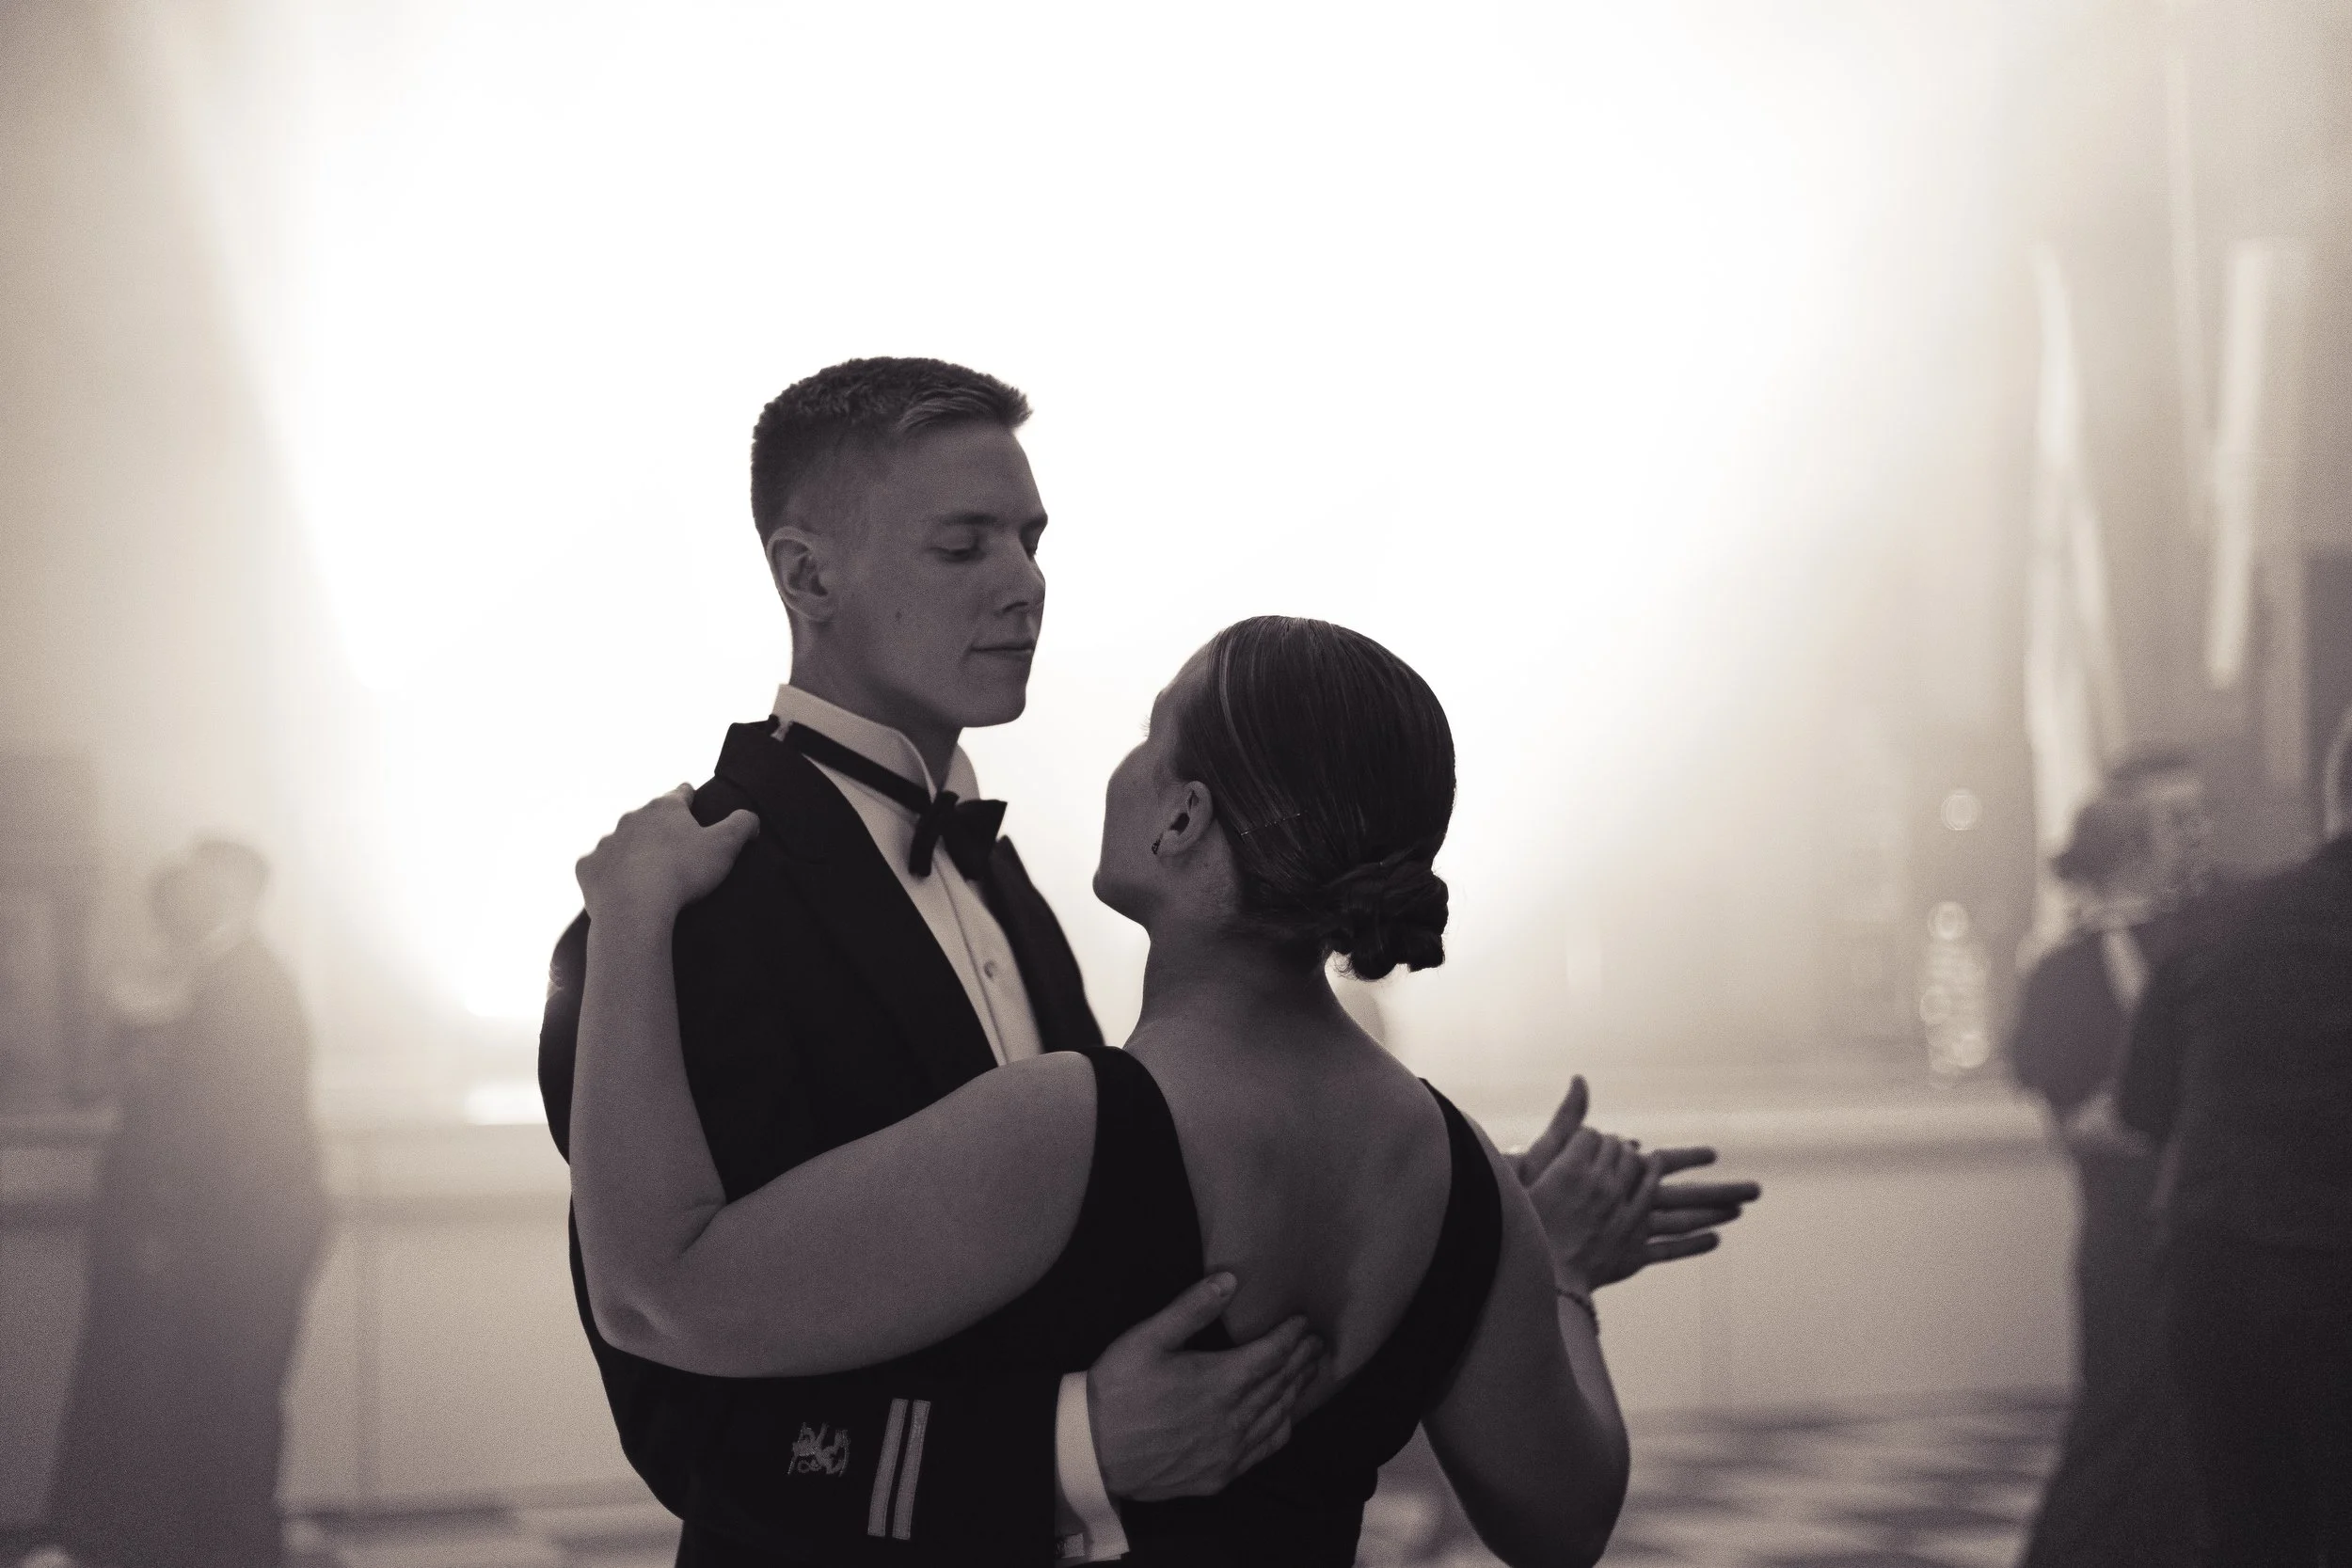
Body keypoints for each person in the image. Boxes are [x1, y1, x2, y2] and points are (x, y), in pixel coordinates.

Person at [534, 357, 1755, 1565]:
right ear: (806, 573)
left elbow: (1110, 1244)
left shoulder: (1022, 927)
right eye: (967, 546)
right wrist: (1069, 1446)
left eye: (1031, 538)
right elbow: (680, 1409)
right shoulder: (680, 922)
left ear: (1184, 820)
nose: (1025, 584)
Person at [35, 840, 328, 1568]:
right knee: (221, 1398)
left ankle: (220, 1547)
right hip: (236, 1230)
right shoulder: (229, 976)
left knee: (227, 1398)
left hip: (237, 1233)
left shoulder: (239, 984)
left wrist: (161, 1228)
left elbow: (203, 1123)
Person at [2120, 708, 2352, 1566]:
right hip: (2338, 1275)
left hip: (2213, 1272)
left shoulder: (2219, 922)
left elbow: (2143, 1105)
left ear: (2335, 795)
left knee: (2245, 1532)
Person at [2008, 797, 2200, 1568]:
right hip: (2135, 1222)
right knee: (2125, 1410)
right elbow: (2073, 1113)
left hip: (2142, 1217)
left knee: (2159, 1415)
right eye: (2175, 828)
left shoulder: (2173, 947)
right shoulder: (2174, 953)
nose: (2193, 842)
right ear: (2135, 854)